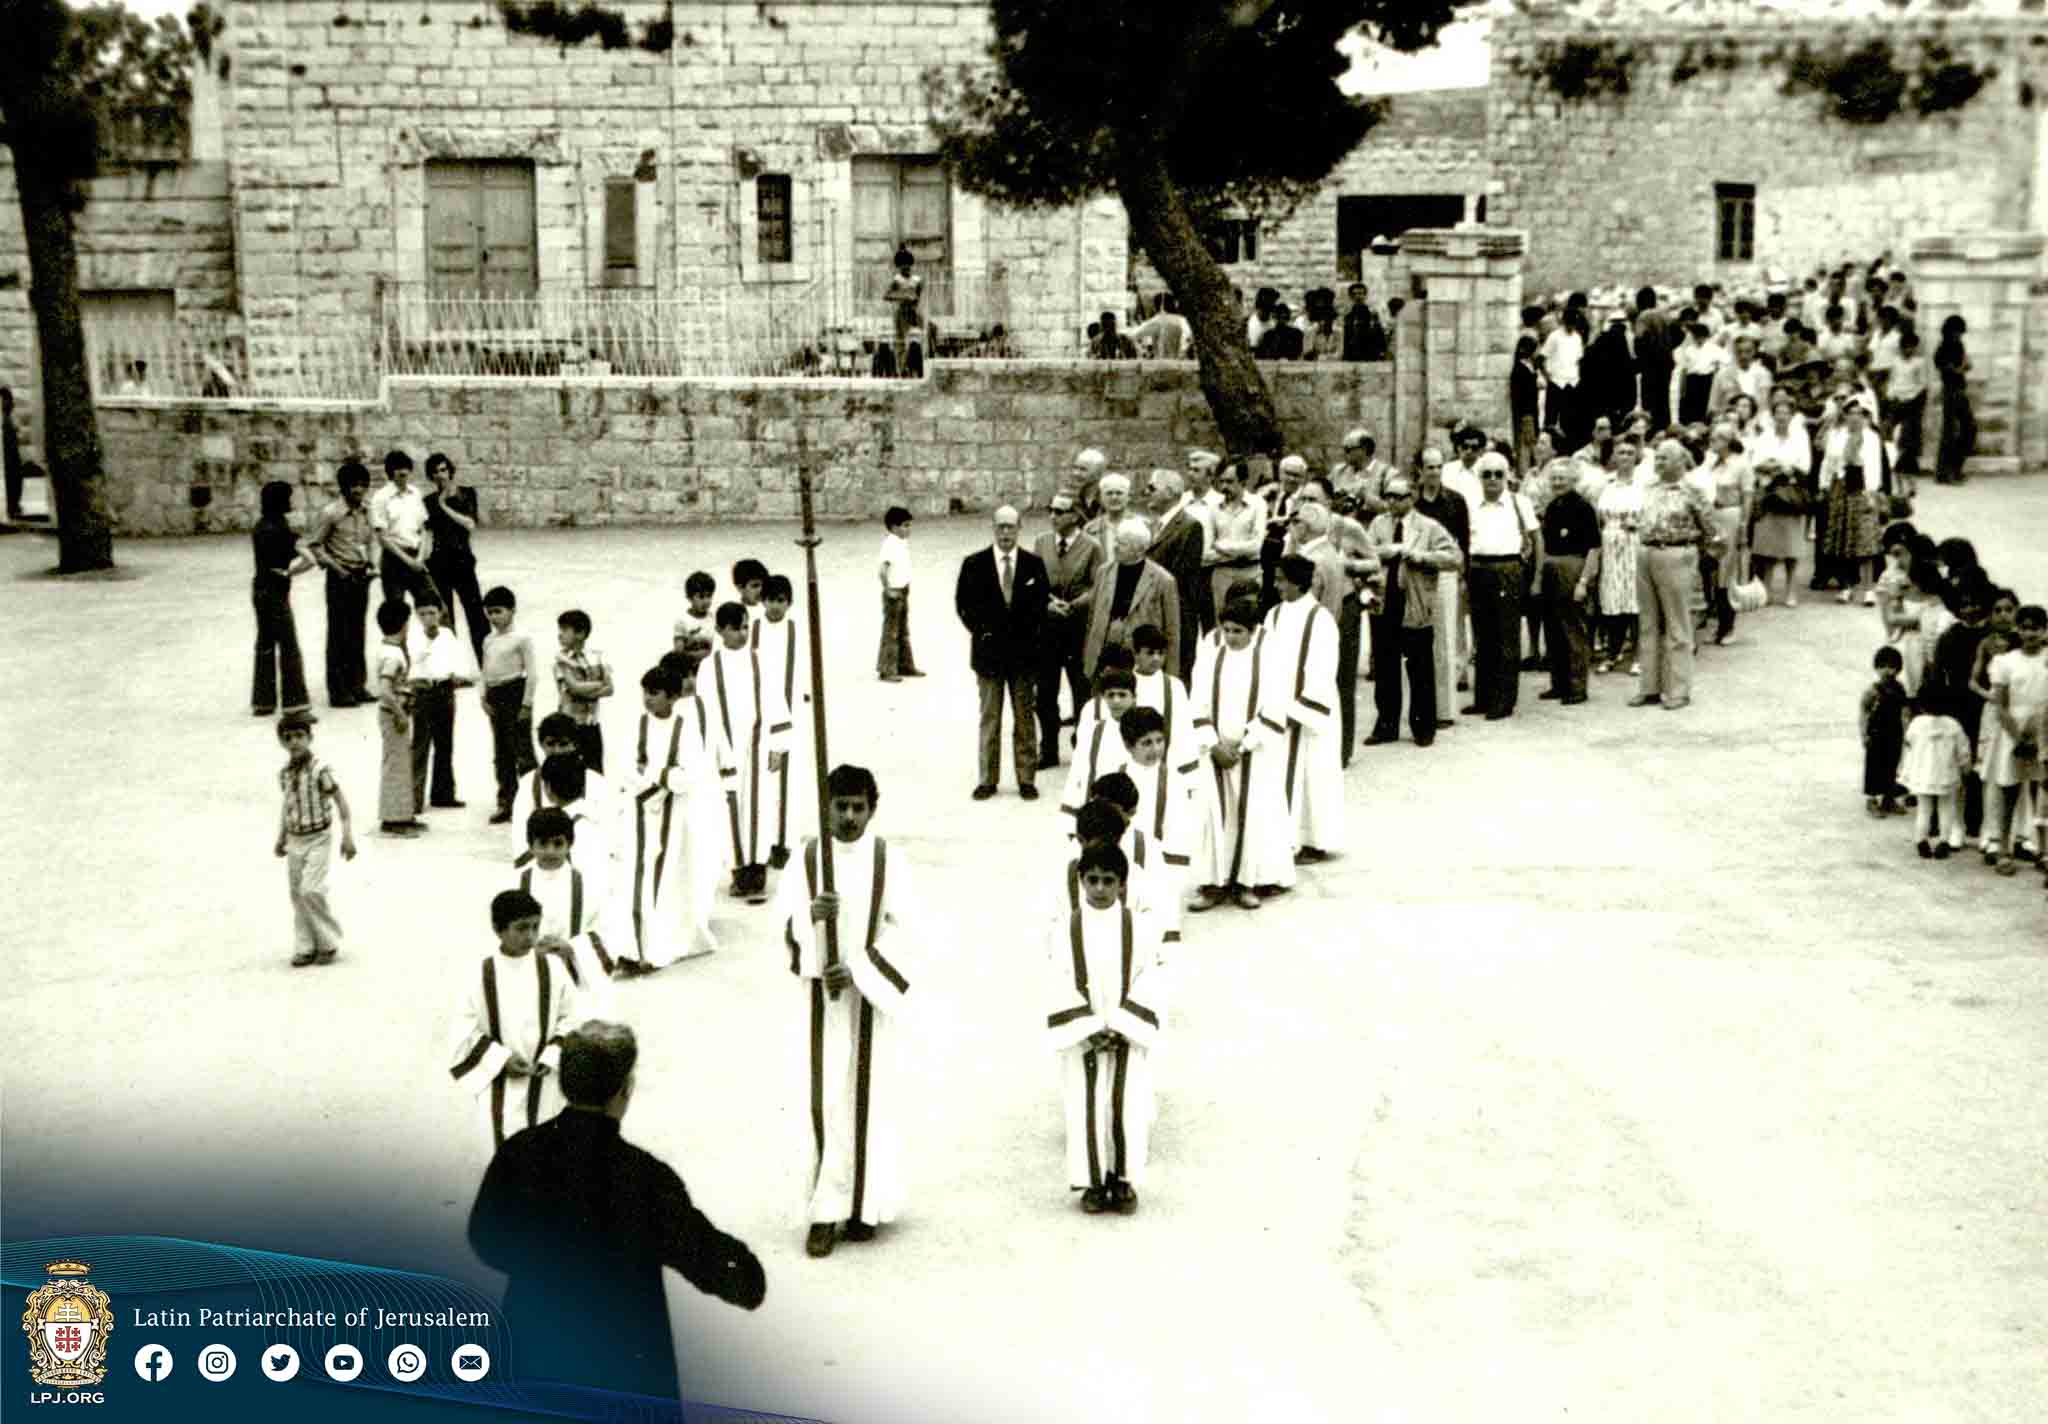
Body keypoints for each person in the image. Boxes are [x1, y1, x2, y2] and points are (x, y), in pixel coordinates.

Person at [467, 1020, 765, 1402]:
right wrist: (747, 1274)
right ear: (624, 1091)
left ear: (564, 1084)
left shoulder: (519, 1153)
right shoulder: (645, 1176)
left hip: (535, 1344)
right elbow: (703, 1256)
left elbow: (485, 1239)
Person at [775, 764, 920, 1257]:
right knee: (824, 1099)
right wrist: (810, 922)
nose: (850, 817)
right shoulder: (807, 859)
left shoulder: (889, 860)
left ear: (872, 809)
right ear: (826, 807)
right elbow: (784, 927)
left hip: (868, 998)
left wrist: (858, 969)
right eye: (841, 806)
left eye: (859, 807)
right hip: (821, 1001)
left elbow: (906, 930)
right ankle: (823, 1210)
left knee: (869, 1098)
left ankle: (863, 1203)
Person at [1045, 842, 1162, 1216]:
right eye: (1091, 880)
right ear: (1079, 881)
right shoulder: (1065, 930)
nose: (1099, 889)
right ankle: (1092, 1181)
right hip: (1085, 1037)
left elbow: (1152, 978)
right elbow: (1055, 979)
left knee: (1126, 1106)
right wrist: (1089, 1027)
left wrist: (1125, 1024)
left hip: (1127, 1034)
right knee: (1086, 1107)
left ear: (1123, 886)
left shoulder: (1139, 929)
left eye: (1108, 881)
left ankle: (1124, 1179)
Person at [449, 889, 585, 1152]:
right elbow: (463, 1030)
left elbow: (572, 1016)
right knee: (502, 1149)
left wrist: (552, 1055)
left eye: (535, 927)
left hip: (545, 1078)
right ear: (498, 930)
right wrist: (500, 1060)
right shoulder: (480, 974)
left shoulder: (553, 968)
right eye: (521, 928)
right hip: (500, 1081)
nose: (531, 936)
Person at [626, 660, 734, 969]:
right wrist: (652, 785)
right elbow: (627, 765)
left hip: (674, 814)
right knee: (637, 876)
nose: (648, 699)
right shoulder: (637, 723)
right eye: (645, 692)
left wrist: (659, 780)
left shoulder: (685, 729)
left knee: (667, 876)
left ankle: (657, 946)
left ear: (672, 697)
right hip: (640, 809)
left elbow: (691, 772)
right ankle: (633, 943)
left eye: (655, 693)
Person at [955, 506, 1049, 801]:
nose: (1006, 533)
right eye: (1001, 527)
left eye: (1011, 527)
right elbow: (963, 604)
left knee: (1024, 718)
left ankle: (1026, 778)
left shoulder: (1033, 564)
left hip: (1023, 655)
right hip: (989, 655)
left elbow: (1040, 605)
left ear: (1020, 528)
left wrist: (1028, 637)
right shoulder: (974, 564)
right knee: (990, 718)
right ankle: (987, 779)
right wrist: (982, 632)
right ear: (993, 528)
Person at [705, 602, 791, 901]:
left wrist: (779, 745)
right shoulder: (709, 666)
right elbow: (708, 710)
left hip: (758, 748)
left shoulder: (760, 661)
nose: (742, 634)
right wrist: (713, 752)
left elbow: (775, 700)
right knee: (729, 811)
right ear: (720, 631)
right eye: (736, 628)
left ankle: (758, 873)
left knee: (759, 810)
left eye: (745, 627)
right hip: (725, 748)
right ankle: (738, 873)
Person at [1362, 476, 1455, 746]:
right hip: (1384, 602)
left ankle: (1423, 726)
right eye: (1388, 496)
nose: (1391, 502)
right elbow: (1365, 553)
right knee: (1385, 666)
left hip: (1415, 602)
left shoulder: (1428, 527)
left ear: (1411, 498)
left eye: (1398, 497)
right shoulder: (1379, 524)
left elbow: (1453, 557)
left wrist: (1421, 556)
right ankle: (1386, 725)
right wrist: (1386, 551)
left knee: (1420, 667)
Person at [1630, 440, 1721, 711]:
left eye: (1664, 459)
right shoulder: (1648, 488)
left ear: (1681, 461)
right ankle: (1649, 687)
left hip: (1677, 554)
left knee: (1677, 624)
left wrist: (1699, 559)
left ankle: (1679, 689)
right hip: (1646, 552)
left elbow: (1712, 531)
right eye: (1656, 458)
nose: (1658, 463)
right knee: (1647, 622)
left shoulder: (1693, 490)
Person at [1263, 555, 1343, 863]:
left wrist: (1299, 711)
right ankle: (1285, 837)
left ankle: (1314, 840)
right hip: (1278, 709)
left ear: (1297, 581)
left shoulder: (1320, 619)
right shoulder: (1273, 615)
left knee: (1313, 774)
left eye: (1281, 579)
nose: (1276, 585)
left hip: (1308, 714)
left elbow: (1323, 670)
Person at [517, 807, 623, 1016]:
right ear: (530, 845)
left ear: (570, 844)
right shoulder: (517, 882)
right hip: (528, 973)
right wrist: (527, 948)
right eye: (543, 844)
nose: (550, 851)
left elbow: (610, 931)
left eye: (558, 843)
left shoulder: (590, 884)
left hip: (578, 978)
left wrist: (573, 948)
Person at [274, 710, 356, 967]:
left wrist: (347, 836)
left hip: (318, 837)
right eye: (288, 738)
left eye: (300, 736)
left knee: (311, 889)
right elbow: (287, 807)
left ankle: (328, 941)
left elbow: (341, 803)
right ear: (282, 743)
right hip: (295, 839)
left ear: (310, 737)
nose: (295, 742)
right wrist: (281, 837)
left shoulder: (321, 770)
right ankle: (305, 945)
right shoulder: (284, 774)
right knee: (297, 894)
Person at [1462, 453, 1537, 721]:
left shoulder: (1520, 503)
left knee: (1506, 636)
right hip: (1478, 569)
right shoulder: (1470, 505)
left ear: (1507, 477)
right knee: (1482, 637)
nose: (1493, 479)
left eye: (1498, 474)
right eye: (1487, 474)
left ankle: (1504, 700)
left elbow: (1535, 539)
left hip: (1508, 569)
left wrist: (1535, 579)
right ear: (1479, 477)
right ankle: (1483, 698)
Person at [1033, 492, 1103, 768]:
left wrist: (1073, 604)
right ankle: (1048, 748)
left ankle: (1083, 747)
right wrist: (1049, 602)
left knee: (1081, 691)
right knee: (1045, 692)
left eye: (1059, 511)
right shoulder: (1042, 542)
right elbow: (1034, 578)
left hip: (1078, 628)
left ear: (1074, 515)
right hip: (1047, 628)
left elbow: (1099, 585)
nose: (1053, 516)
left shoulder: (1092, 546)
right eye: (1050, 510)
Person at [1980, 605, 2048, 876]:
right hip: (2013, 732)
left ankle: (2042, 850)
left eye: (2036, 627)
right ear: (2017, 629)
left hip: (2044, 731)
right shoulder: (2005, 662)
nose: (2029, 633)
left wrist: (2039, 733)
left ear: (2044, 630)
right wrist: (2019, 736)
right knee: (2009, 793)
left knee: (2041, 793)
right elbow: (2000, 704)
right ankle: (2004, 849)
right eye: (2025, 627)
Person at [305, 460, 378, 708]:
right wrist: (337, 569)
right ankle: (338, 691)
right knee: (339, 634)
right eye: (353, 485)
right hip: (339, 577)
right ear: (343, 487)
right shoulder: (331, 513)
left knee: (357, 632)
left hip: (360, 576)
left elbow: (370, 541)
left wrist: (371, 564)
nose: (358, 490)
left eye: (362, 485)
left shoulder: (368, 511)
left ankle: (357, 685)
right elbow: (315, 545)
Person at [1082, 517, 1181, 680]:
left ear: (1139, 549)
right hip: (1104, 657)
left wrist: (1170, 677)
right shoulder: (1103, 572)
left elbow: (1172, 631)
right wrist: (1089, 658)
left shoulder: (1163, 580)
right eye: (1116, 541)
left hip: (1141, 661)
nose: (1114, 547)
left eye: (1122, 544)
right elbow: (1092, 618)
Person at [1413, 448, 1470, 729]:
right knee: (1421, 642)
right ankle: (1422, 707)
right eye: (1429, 467)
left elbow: (1464, 545)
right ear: (1420, 471)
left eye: (1438, 467)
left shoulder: (1456, 502)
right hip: (1417, 577)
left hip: (1446, 576)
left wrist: (1462, 576)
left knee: (1446, 641)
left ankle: (1445, 711)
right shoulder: (1413, 503)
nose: (1434, 472)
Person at [1536, 458, 1599, 706]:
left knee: (1573, 629)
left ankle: (1576, 686)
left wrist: (1584, 581)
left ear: (1574, 480)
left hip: (1573, 568)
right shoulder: (1552, 507)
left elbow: (1594, 548)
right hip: (1552, 569)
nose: (1557, 482)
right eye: (1554, 478)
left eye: (1562, 478)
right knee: (1552, 629)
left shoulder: (1583, 508)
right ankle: (1558, 683)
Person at [752, 574, 805, 869]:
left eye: (781, 601)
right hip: (760, 713)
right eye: (770, 600)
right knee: (763, 781)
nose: (775, 606)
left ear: (789, 603)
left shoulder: (797, 630)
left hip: (790, 713)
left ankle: (784, 843)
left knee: (787, 779)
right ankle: (764, 841)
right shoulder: (754, 629)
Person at [250, 480, 315, 717]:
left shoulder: (260, 527)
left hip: (259, 589)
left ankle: (263, 702)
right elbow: (310, 559)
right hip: (277, 591)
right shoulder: (283, 529)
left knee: (265, 644)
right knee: (289, 645)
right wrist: (290, 571)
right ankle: (295, 705)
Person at [1818, 400, 1890, 607]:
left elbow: (1875, 466)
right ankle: (1846, 586)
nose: (1855, 417)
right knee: (1843, 539)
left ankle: (1868, 589)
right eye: (1851, 413)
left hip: (1863, 490)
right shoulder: (1837, 436)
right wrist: (1824, 485)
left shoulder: (1872, 438)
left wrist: (1872, 492)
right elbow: (1828, 463)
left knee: (1865, 540)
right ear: (1845, 415)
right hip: (1841, 489)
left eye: (1860, 413)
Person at [1747, 390, 1814, 607]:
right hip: (1769, 493)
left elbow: (1804, 465)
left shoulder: (1800, 437)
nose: (1782, 417)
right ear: (1772, 415)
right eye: (1778, 413)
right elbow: (1757, 462)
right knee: (1768, 545)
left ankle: (1791, 589)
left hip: (1791, 494)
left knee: (1792, 547)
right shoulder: (1764, 436)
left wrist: (1785, 467)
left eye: (1786, 413)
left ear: (1792, 416)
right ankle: (1766, 589)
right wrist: (1775, 466)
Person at [1142, 470, 1208, 682]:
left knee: (1174, 679)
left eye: (1152, 488)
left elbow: (1180, 577)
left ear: (1170, 492)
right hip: (1153, 613)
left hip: (1175, 615)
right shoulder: (1154, 525)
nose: (1146, 492)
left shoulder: (1189, 527)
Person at [423, 452, 487, 664]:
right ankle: (452, 667)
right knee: (445, 616)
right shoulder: (428, 501)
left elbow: (469, 524)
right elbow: (427, 533)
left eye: (443, 469)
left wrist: (444, 506)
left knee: (475, 613)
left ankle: (486, 662)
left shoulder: (466, 494)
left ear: (450, 470)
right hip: (439, 563)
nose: (440, 475)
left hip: (462, 561)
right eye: (435, 472)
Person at [408, 591, 466, 811]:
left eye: (432, 613)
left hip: (444, 690)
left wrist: (457, 675)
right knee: (421, 745)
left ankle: (443, 794)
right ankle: (414, 797)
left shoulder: (448, 635)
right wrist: (427, 638)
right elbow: (416, 658)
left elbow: (456, 658)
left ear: (440, 613)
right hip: (423, 691)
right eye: (422, 614)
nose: (428, 618)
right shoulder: (414, 635)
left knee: (445, 744)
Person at [373, 600, 425, 837]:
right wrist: (400, 713)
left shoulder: (386, 649)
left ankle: (403, 813)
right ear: (404, 625)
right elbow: (384, 689)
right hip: (394, 715)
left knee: (400, 765)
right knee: (396, 766)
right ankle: (393, 819)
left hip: (394, 714)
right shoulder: (393, 655)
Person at [1901, 690, 1972, 858]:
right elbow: (1963, 749)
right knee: (1946, 808)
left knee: (1924, 809)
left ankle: (1921, 840)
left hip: (1923, 773)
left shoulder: (1917, 723)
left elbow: (1908, 741)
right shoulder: (1953, 725)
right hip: (1946, 773)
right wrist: (1965, 766)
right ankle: (1943, 841)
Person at [1060, 667, 1137, 817]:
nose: (1116, 701)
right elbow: (1079, 770)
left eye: (1122, 695)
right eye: (1111, 695)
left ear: (1134, 697)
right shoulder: (1095, 732)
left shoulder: (1145, 728)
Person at [1206, 459, 1268, 624]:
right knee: (1222, 624)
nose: (1224, 487)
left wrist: (1221, 547)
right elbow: (1206, 552)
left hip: (1251, 574)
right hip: (1222, 575)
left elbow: (1256, 546)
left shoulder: (1258, 504)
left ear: (1243, 482)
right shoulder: (1212, 507)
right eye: (1222, 481)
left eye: (1230, 481)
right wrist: (1240, 553)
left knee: (1250, 623)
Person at [370, 450, 433, 608]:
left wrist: (420, 557)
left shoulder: (415, 494)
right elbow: (382, 537)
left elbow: (424, 528)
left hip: (416, 557)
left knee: (431, 606)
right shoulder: (381, 497)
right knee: (397, 612)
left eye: (405, 467)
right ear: (390, 471)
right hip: (394, 561)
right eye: (397, 468)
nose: (402, 472)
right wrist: (408, 561)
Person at [553, 608, 611, 777]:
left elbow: (611, 689)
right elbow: (574, 688)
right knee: (570, 770)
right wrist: (600, 684)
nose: (560, 635)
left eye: (564, 630)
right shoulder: (561, 659)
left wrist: (587, 689)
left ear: (580, 633)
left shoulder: (596, 656)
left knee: (595, 769)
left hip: (592, 723)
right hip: (569, 723)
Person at [876, 505, 922, 681]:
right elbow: (882, 570)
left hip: (903, 589)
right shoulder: (890, 545)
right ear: (894, 528)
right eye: (905, 525)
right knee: (892, 632)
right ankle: (887, 669)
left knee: (903, 630)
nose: (908, 529)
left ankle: (904, 665)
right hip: (894, 593)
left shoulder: (901, 543)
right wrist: (888, 589)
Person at [1862, 645, 1909, 818]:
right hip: (1876, 733)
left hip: (1894, 733)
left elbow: (1904, 711)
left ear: (1898, 669)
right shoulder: (1873, 690)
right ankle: (1872, 799)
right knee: (1874, 766)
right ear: (1876, 668)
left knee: (1892, 765)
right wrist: (1864, 733)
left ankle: (1888, 799)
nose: (1887, 671)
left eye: (1892, 666)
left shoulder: (1900, 688)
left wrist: (1906, 732)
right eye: (1883, 666)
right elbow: (1864, 712)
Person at [1934, 315, 1975, 485]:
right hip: (1951, 391)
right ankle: (1947, 471)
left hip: (1959, 390)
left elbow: (1966, 365)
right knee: (1951, 432)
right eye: (1957, 332)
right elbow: (1951, 369)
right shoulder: (1943, 348)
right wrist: (1961, 367)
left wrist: (1963, 367)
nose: (1959, 335)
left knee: (1967, 429)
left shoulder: (1958, 345)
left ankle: (1952, 468)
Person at [1633, 287, 1676, 432]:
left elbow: (1639, 337)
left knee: (1649, 401)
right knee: (1663, 400)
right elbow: (1679, 333)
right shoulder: (1665, 315)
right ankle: (1664, 429)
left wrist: (1642, 354)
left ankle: (1651, 431)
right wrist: (1669, 347)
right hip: (1666, 362)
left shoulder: (1643, 316)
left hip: (1651, 364)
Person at [884, 246, 924, 376]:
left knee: (916, 339)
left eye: (907, 265)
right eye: (902, 266)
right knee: (901, 341)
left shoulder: (917, 280)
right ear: (898, 267)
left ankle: (916, 366)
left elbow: (918, 296)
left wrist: (914, 300)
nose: (905, 268)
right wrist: (903, 296)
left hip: (913, 312)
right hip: (901, 313)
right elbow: (887, 296)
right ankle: (902, 368)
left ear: (911, 265)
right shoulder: (897, 280)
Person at [674, 571, 718, 657]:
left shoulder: (714, 619)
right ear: (689, 598)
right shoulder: (682, 621)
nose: (706, 601)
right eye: (701, 597)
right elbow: (678, 651)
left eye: (709, 596)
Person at [1343, 282, 1388, 362]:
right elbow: (1346, 337)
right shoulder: (1348, 316)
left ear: (1365, 295)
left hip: (1370, 354)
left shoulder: (1373, 315)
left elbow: (1379, 334)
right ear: (1350, 296)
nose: (1358, 296)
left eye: (1360, 293)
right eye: (1354, 294)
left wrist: (1381, 352)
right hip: (1352, 355)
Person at [0, 386, 21, 521]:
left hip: (11, 456)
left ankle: (13, 507)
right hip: (8, 456)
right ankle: (12, 507)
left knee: (14, 480)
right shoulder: (7, 419)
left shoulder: (8, 418)